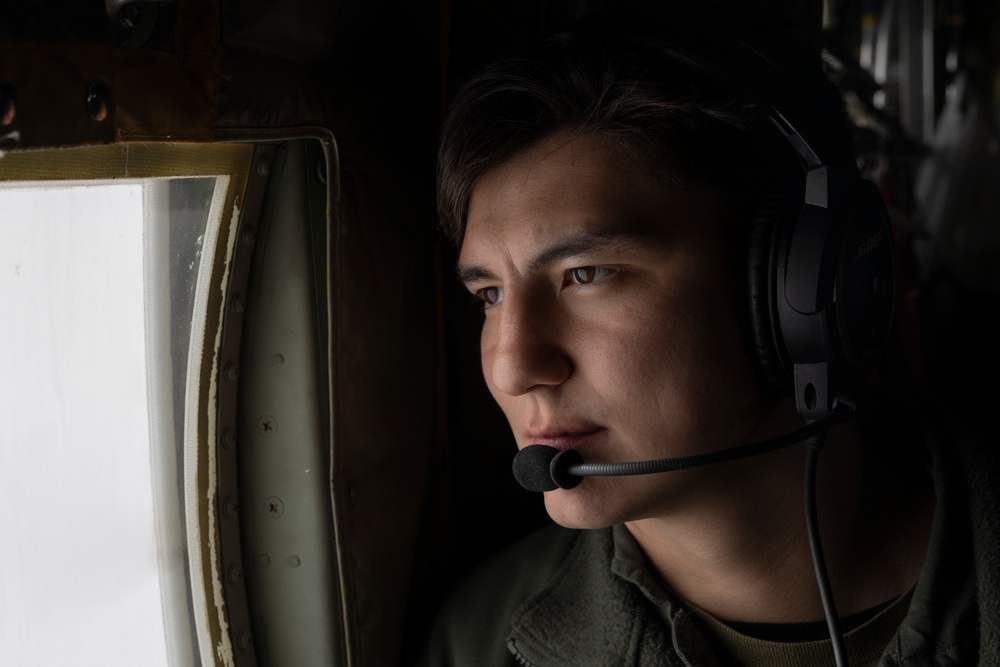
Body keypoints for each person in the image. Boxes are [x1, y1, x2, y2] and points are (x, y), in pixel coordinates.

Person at [421, 1, 999, 665]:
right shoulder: (475, 643)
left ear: (806, 282)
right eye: (489, 294)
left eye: (586, 274)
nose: (512, 366)